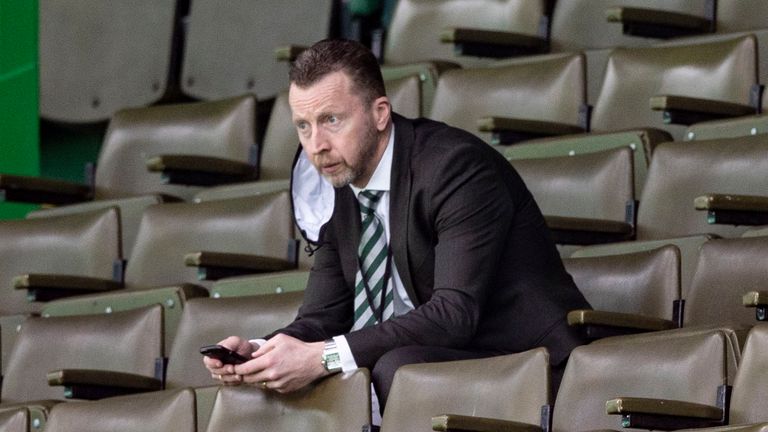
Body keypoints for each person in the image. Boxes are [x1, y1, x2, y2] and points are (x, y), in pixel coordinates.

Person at [204, 38, 591, 414]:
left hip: (530, 361)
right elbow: (321, 318)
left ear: (380, 113)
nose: (316, 144)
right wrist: (259, 354)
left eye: (331, 120)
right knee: (308, 379)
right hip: (446, 359)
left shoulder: (455, 168)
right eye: (303, 126)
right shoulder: (339, 184)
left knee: (388, 368)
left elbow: (454, 314)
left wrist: (325, 356)